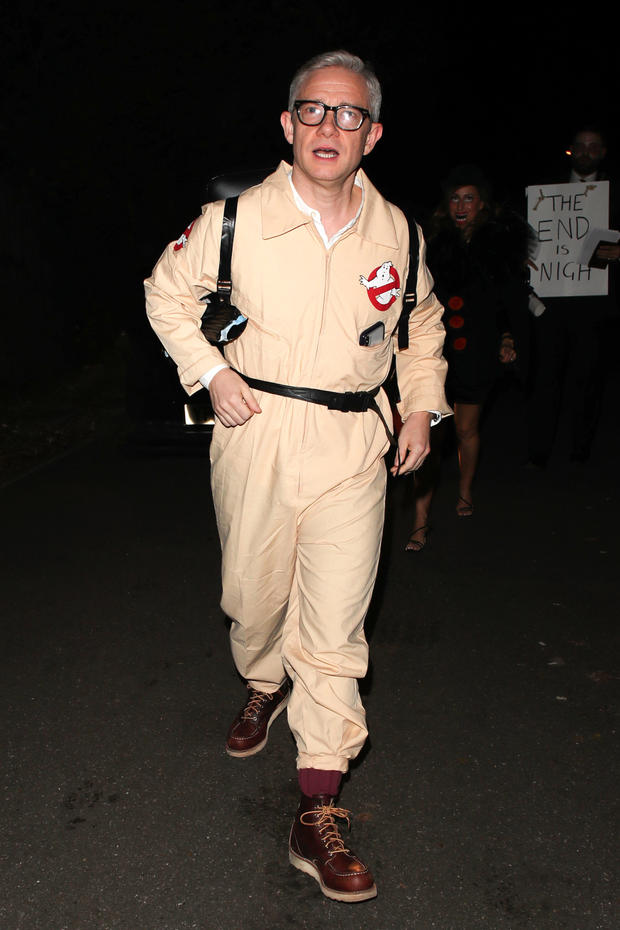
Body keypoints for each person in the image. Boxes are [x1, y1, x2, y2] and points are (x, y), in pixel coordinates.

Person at [145, 50, 450, 902]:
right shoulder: (234, 221)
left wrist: (421, 406)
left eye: (349, 114)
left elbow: (422, 325)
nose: (329, 126)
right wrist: (211, 372)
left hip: (355, 443)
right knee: (254, 600)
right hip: (257, 432)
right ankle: (261, 678)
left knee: (335, 630)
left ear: (372, 135)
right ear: (288, 124)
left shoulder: (400, 234)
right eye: (313, 109)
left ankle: (318, 805)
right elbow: (165, 294)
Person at [405, 165, 530, 550]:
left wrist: (507, 337)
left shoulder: (500, 245)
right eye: (455, 198)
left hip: (478, 349)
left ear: (482, 204)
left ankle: (464, 490)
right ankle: (420, 521)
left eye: (469, 198)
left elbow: (509, 300)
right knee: (429, 431)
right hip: (437, 347)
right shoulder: (432, 242)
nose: (461, 206)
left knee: (465, 430)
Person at [526, 125, 620, 467]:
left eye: (594, 146)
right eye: (580, 145)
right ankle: (539, 451)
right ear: (571, 150)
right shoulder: (545, 193)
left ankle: (580, 451)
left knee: (588, 379)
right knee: (545, 378)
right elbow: (528, 238)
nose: (586, 151)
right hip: (550, 303)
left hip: (594, 305)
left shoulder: (613, 195)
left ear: (603, 152)